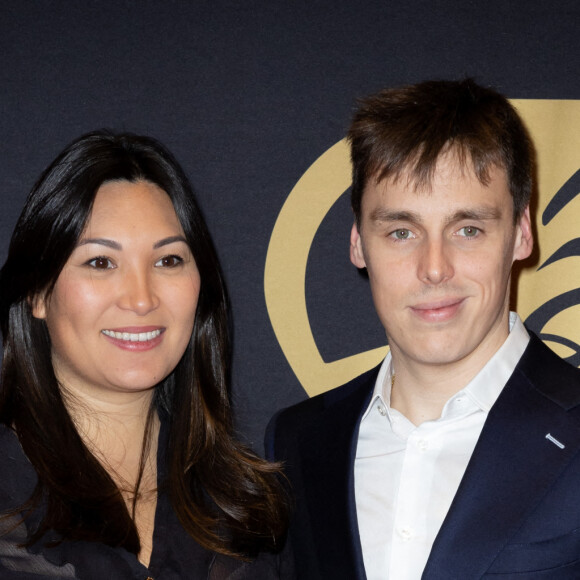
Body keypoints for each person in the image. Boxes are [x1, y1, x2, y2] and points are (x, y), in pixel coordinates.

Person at [266, 79, 580, 579]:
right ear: (358, 243)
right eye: (402, 232)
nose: (435, 268)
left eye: (468, 229)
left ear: (521, 233)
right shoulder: (299, 441)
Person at [0, 130, 292, 579]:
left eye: (168, 261)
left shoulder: (249, 504)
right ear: (38, 292)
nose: (140, 299)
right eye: (100, 262)